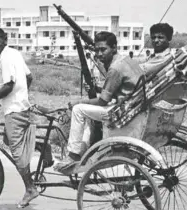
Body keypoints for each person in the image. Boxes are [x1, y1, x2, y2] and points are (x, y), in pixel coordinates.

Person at [0, 27, 52, 208]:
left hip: (14, 111)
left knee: (16, 152)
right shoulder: (14, 53)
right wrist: (21, 96)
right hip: (22, 106)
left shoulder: (5, 58)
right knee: (8, 137)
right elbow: (28, 77)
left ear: (5, 40)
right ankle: (43, 147)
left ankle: (30, 188)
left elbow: (8, 85)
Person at [54, 31, 143, 175]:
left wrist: (78, 101)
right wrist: (98, 89)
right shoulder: (126, 60)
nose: (100, 54)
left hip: (123, 110)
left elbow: (103, 101)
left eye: (103, 49)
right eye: (97, 50)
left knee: (78, 109)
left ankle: (73, 154)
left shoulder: (115, 68)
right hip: (133, 105)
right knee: (87, 113)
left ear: (114, 48)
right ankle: (84, 149)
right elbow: (117, 88)